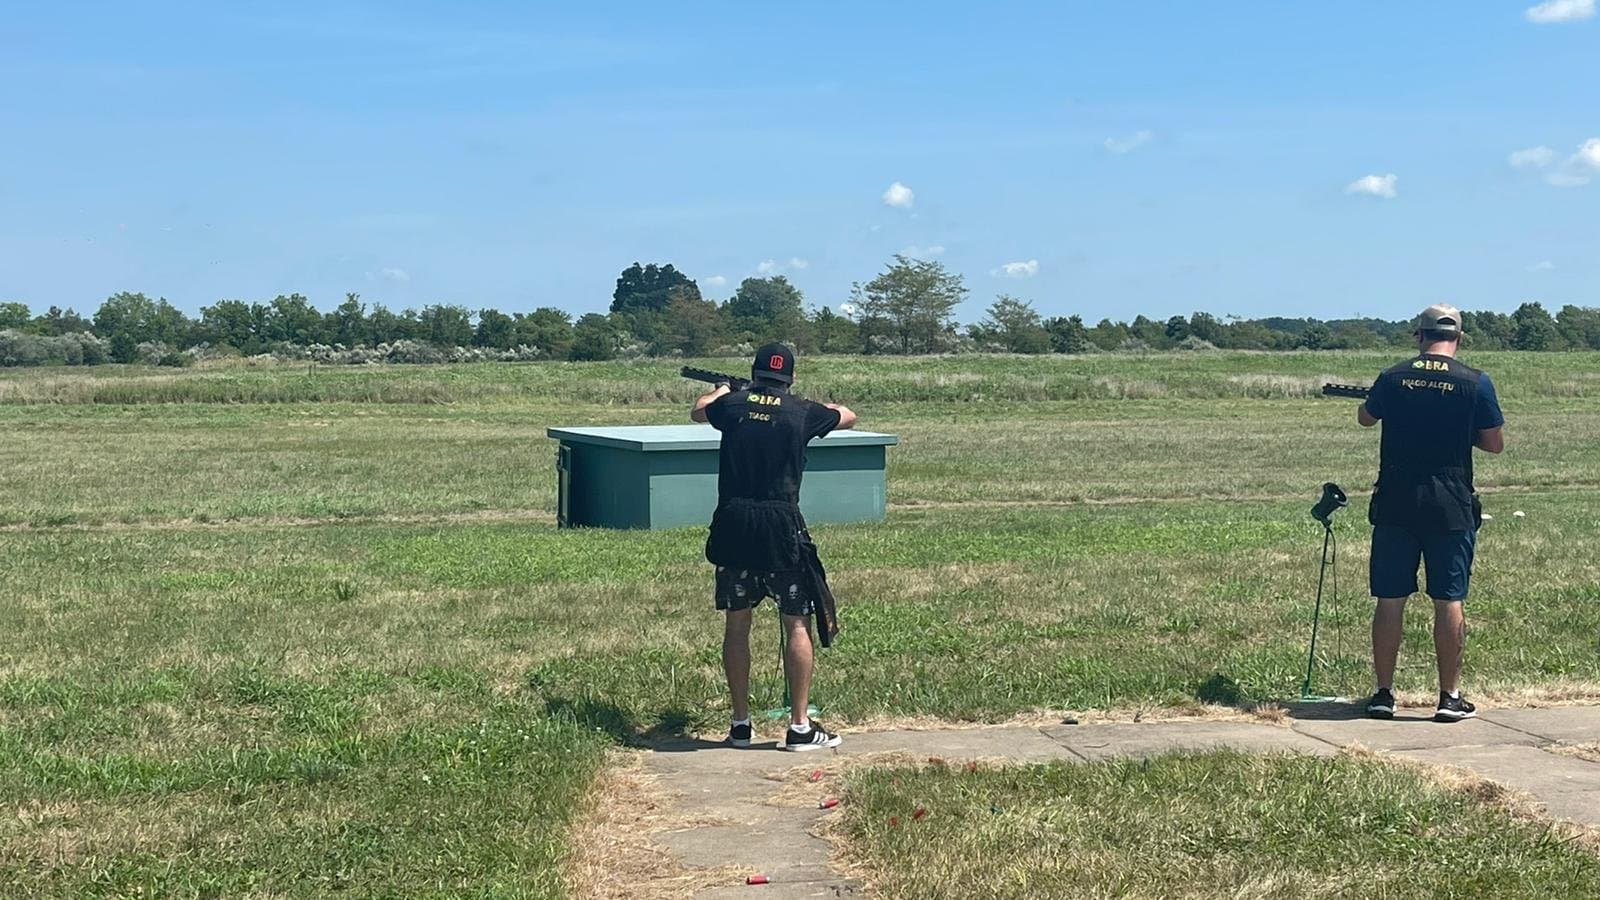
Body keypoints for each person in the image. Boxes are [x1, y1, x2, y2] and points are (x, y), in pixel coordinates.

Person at [690, 343, 857, 750]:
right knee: (796, 622)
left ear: (755, 371)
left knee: (737, 623)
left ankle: (740, 724)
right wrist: (818, 403)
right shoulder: (801, 410)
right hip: (781, 526)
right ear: (791, 377)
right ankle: (800, 726)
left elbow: (700, 409)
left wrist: (724, 390)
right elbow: (847, 415)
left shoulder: (732, 406)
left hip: (734, 525)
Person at [1358, 304, 1505, 723]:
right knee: (1449, 598)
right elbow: (1494, 443)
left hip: (1396, 500)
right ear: (1459, 338)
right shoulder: (1476, 383)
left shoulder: (1393, 376)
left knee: (1390, 598)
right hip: (1450, 502)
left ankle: (1384, 693)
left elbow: (1366, 418)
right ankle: (1449, 696)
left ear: (1418, 336)